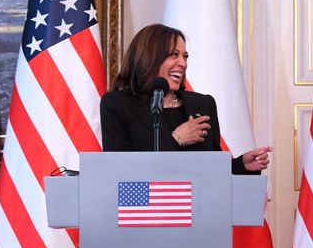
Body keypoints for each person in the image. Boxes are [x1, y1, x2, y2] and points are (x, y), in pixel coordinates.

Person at [100, 23, 271, 175]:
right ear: (149, 57)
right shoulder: (116, 105)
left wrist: (241, 165)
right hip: (143, 200)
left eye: (185, 56)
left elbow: (212, 171)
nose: (183, 63)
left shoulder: (203, 105)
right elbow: (120, 171)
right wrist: (177, 139)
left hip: (198, 200)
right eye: (174, 55)